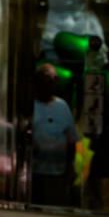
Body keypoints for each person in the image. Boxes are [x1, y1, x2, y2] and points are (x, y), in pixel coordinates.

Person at [31, 63, 78, 206]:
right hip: (34, 174)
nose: (50, 84)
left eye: (53, 80)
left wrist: (70, 168)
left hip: (58, 174)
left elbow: (71, 140)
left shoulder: (62, 106)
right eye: (46, 79)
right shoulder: (30, 105)